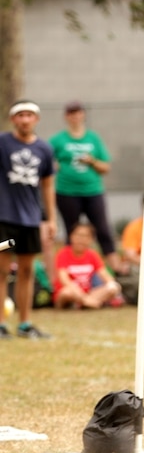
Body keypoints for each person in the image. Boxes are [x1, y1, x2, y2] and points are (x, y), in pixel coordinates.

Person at [0, 100, 55, 339]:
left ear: (36, 119)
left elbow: (48, 185)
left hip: (30, 221)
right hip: (4, 219)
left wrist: (50, 219)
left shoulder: (44, 149)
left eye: (29, 115)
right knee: (1, 271)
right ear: (14, 119)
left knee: (26, 271)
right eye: (20, 115)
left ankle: (25, 324)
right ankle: (1, 323)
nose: (25, 119)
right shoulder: (2, 143)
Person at [49, 101, 120, 274]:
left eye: (78, 112)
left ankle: (117, 271)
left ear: (83, 115)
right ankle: (70, 272)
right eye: (71, 113)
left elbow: (106, 167)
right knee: (72, 233)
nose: (75, 116)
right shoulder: (58, 140)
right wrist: (54, 166)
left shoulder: (93, 138)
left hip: (93, 191)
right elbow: (44, 162)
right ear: (66, 117)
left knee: (103, 231)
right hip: (66, 192)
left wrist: (92, 161)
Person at [53, 221, 123, 309]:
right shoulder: (63, 254)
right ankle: (86, 302)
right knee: (66, 292)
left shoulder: (92, 255)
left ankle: (82, 303)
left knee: (114, 287)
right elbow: (64, 279)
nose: (81, 239)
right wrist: (82, 297)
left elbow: (105, 275)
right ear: (71, 236)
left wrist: (112, 284)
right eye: (78, 235)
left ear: (91, 239)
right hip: (70, 292)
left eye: (85, 236)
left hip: (88, 292)